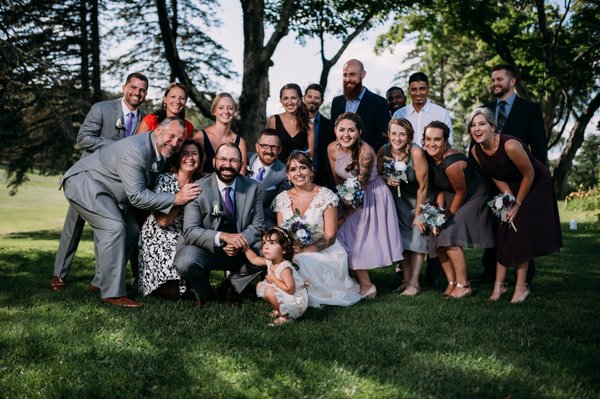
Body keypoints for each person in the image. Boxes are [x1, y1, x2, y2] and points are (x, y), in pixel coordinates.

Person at [59, 117, 201, 307]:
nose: (175, 143)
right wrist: (177, 198)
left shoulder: (159, 152)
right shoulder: (137, 151)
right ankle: (112, 294)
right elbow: (137, 197)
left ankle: (100, 283)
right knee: (114, 227)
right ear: (158, 130)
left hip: (106, 190)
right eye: (172, 135)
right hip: (83, 183)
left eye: (180, 140)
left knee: (132, 230)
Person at [51, 72, 149, 292]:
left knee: (118, 229)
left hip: (119, 185)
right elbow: (83, 138)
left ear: (146, 94)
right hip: (90, 178)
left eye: (142, 90)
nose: (137, 92)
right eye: (133, 87)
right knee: (73, 227)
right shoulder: (102, 108)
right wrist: (114, 147)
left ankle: (101, 279)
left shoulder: (146, 120)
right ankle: (59, 274)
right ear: (124, 87)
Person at [468, 107, 561, 303]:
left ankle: (522, 287)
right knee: (503, 228)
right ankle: (499, 287)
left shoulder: (510, 145)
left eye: (482, 124)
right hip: (510, 186)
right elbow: (495, 174)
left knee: (520, 231)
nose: (476, 129)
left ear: (492, 127)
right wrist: (508, 199)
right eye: (473, 125)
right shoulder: (476, 151)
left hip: (534, 185)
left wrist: (517, 204)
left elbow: (529, 174)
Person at [477, 63, 548, 285]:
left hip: (521, 179)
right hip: (492, 178)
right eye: (493, 79)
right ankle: (490, 272)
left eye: (499, 79)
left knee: (521, 225)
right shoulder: (485, 109)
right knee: (495, 224)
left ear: (512, 81)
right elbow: (477, 145)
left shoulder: (530, 109)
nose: (495, 83)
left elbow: (539, 147)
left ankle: (525, 276)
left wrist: (535, 181)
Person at [174, 143, 264, 307]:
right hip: (207, 249)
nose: (227, 165)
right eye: (222, 159)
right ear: (214, 161)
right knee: (185, 260)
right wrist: (223, 236)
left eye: (233, 160)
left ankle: (231, 287)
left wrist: (240, 241)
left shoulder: (253, 187)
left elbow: (258, 225)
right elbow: (190, 231)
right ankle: (202, 291)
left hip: (241, 250)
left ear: (241, 164)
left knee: (268, 250)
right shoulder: (197, 189)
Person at [328, 112, 404, 298]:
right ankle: (356, 281)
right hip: (348, 195)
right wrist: (340, 203)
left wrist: (343, 217)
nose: (346, 134)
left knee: (355, 240)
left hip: (370, 196)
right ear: (335, 131)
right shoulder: (331, 148)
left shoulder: (366, 153)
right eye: (342, 129)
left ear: (359, 132)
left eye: (351, 130)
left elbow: (359, 191)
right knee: (340, 237)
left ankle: (367, 286)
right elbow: (337, 180)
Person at [273, 151, 361, 307]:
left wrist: (306, 250)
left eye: (303, 168)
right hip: (293, 249)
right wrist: (290, 250)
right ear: (287, 175)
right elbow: (281, 234)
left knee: (300, 260)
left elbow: (330, 236)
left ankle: (297, 297)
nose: (298, 173)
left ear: (311, 171)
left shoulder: (326, 196)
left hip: (325, 250)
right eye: (293, 169)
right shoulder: (281, 199)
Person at [423, 121, 495, 299]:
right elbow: (439, 187)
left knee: (450, 233)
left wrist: (446, 216)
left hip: (473, 194)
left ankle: (464, 285)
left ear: (445, 141)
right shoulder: (429, 157)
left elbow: (461, 192)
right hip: (449, 192)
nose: (432, 143)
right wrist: (438, 215)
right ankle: (451, 282)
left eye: (437, 139)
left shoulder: (452, 163)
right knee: (436, 234)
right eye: (428, 139)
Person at [137, 140, 204, 298]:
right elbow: (163, 221)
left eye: (195, 154)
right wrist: (181, 198)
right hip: (158, 234)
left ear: (200, 159)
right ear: (177, 158)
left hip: (186, 234)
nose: (190, 158)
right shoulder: (165, 180)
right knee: (170, 293)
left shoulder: (201, 183)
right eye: (185, 153)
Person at [377, 118, 432, 296]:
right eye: (394, 133)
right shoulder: (383, 151)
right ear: (388, 134)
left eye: (402, 134)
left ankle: (415, 284)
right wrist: (387, 179)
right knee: (402, 243)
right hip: (397, 202)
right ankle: (406, 281)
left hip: (418, 200)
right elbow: (377, 175)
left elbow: (423, 185)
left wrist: (419, 214)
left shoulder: (416, 152)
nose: (397, 138)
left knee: (416, 240)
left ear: (409, 136)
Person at [244, 228, 309, 325]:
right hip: (286, 294)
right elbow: (255, 259)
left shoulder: (284, 268)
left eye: (272, 243)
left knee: (269, 290)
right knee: (260, 285)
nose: (266, 247)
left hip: (296, 302)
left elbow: (290, 289)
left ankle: (286, 317)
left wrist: (273, 279)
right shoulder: (270, 261)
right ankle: (279, 309)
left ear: (284, 249)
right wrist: (245, 249)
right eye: (264, 243)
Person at [330, 59, 390, 151]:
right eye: (345, 75)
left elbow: (384, 139)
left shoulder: (379, 102)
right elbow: (332, 135)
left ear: (363, 75)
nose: (348, 79)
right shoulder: (337, 102)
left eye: (352, 74)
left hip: (368, 160)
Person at [392, 72, 453, 147]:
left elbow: (449, 144)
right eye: (414, 89)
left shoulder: (441, 113)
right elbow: (394, 143)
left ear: (428, 89)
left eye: (422, 89)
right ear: (409, 91)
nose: (418, 93)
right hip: (406, 158)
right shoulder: (399, 115)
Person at [193, 92, 248, 175]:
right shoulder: (201, 137)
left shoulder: (240, 142)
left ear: (234, 112)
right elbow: (193, 171)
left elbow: (241, 175)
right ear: (214, 111)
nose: (226, 111)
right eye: (221, 108)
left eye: (230, 108)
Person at [247, 128, 288, 227]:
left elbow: (275, 207)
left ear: (280, 149)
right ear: (257, 147)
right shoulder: (244, 160)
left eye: (274, 147)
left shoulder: (284, 173)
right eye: (264, 146)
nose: (269, 151)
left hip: (263, 222)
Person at [267, 83, 315, 163]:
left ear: (300, 99)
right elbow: (266, 148)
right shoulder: (273, 120)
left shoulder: (309, 124)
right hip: (275, 170)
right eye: (285, 98)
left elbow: (310, 156)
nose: (289, 102)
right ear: (281, 101)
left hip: (297, 171)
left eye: (293, 98)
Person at [303, 83, 334, 187]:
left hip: (321, 178)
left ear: (322, 101)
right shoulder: (294, 122)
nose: (312, 100)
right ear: (304, 98)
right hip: (296, 175)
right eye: (310, 96)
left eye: (317, 98)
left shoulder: (329, 125)